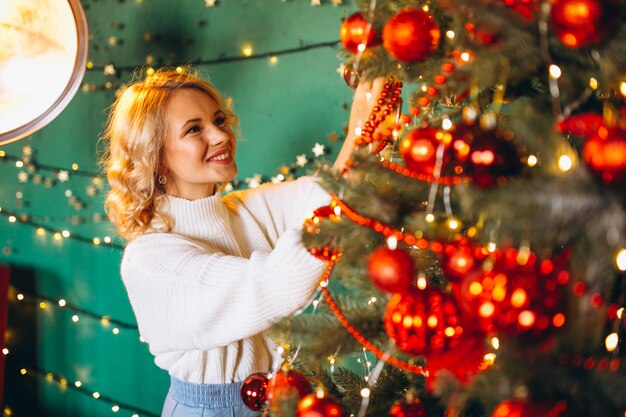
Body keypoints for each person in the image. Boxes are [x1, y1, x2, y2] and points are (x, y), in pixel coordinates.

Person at [101, 67, 384, 417]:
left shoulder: (244, 209)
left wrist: (369, 131)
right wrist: (360, 132)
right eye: (194, 129)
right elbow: (274, 286)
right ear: (154, 155)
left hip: (276, 397)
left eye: (219, 120)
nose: (220, 135)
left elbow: (329, 192)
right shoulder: (149, 258)